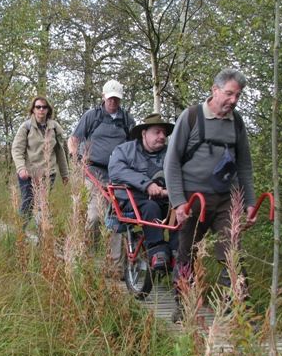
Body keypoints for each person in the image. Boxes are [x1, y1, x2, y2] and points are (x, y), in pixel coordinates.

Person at [164, 68, 257, 322]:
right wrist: (179, 203)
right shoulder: (192, 117)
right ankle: (183, 305)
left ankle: (237, 310)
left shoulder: (236, 123)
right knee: (187, 253)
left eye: (238, 95)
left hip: (227, 198)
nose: (233, 100)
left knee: (231, 252)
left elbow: (244, 165)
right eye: (229, 93)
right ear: (214, 90)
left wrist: (249, 201)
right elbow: (171, 163)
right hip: (193, 199)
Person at [68, 79, 135, 271]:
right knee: (95, 217)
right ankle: (88, 253)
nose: (113, 102)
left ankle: (114, 265)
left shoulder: (127, 120)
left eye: (116, 99)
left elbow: (134, 146)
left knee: (117, 218)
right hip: (93, 172)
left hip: (118, 175)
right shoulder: (92, 116)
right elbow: (74, 139)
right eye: (110, 98)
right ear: (103, 97)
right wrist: (75, 155)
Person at [108, 113, 178, 274]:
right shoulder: (125, 150)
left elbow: (182, 173)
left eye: (164, 133)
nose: (162, 137)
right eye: (157, 132)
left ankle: (177, 253)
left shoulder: (171, 154)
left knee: (180, 208)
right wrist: (147, 185)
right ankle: (157, 251)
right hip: (133, 199)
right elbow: (116, 170)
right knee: (150, 207)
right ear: (144, 133)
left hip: (165, 199)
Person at [11, 97, 69, 226]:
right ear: (33, 109)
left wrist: (65, 174)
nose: (41, 109)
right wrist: (21, 168)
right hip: (29, 174)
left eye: (44, 107)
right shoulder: (26, 127)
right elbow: (16, 149)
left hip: (48, 174)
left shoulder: (54, 127)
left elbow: (60, 152)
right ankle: (20, 236)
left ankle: (43, 239)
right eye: (38, 107)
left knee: (43, 205)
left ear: (48, 110)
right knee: (28, 204)